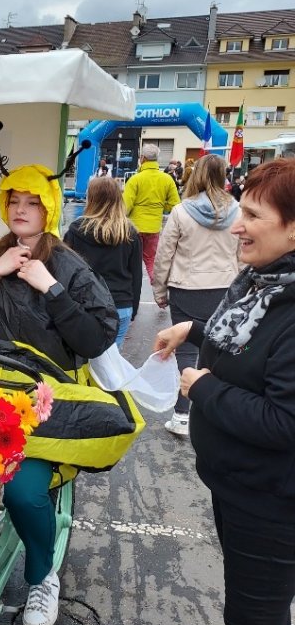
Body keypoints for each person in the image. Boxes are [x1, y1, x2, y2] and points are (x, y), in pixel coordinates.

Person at [0, 163, 117, 625]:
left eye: (31, 202)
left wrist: (50, 288)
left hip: (44, 411)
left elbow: (96, 337)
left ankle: (41, 575)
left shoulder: (71, 267)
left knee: (22, 489)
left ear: (48, 209)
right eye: (13, 201)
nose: (20, 210)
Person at [153, 158, 295, 625]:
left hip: (272, 504)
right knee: (256, 622)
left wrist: (203, 386)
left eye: (254, 215)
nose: (238, 225)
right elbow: (245, 330)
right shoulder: (270, 279)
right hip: (241, 488)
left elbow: (286, 421)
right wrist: (194, 331)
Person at [152, 154, 240, 437]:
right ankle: (214, 408)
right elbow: (244, 253)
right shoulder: (238, 210)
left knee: (186, 350)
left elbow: (165, 253)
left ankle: (181, 415)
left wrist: (159, 289)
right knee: (220, 348)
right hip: (225, 288)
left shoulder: (181, 211)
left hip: (186, 288)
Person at [65, 177, 142, 348]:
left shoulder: (76, 230)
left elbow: (65, 270)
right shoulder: (129, 233)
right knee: (113, 362)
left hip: (86, 304)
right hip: (121, 304)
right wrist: (134, 308)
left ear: (90, 198)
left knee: (86, 359)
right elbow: (136, 275)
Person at [123, 143, 180, 282]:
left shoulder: (135, 179)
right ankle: (159, 293)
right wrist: (160, 207)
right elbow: (175, 204)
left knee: (128, 264)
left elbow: (125, 206)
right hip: (154, 228)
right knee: (151, 262)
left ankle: (130, 294)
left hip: (133, 229)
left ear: (142, 158)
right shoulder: (167, 179)